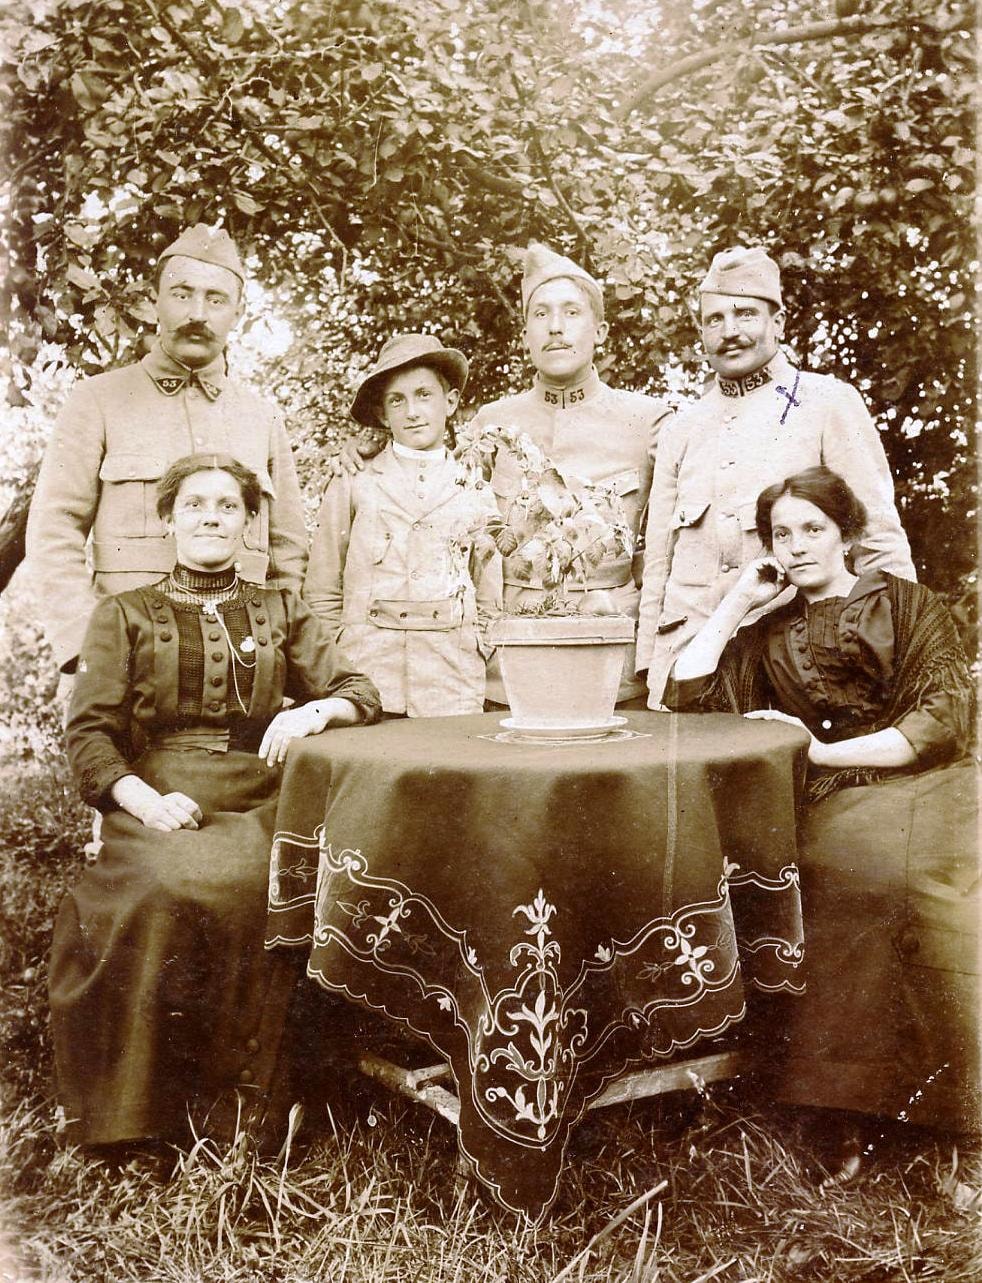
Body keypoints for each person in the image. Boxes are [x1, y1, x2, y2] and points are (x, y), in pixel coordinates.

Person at [49, 453, 381, 1154]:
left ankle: (255, 1115)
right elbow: (89, 734)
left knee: (265, 882)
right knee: (169, 884)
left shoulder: (280, 607)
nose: (211, 518)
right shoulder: (123, 613)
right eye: (194, 505)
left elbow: (357, 688)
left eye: (228, 506)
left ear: (248, 524)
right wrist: (143, 801)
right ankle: (142, 1113)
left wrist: (314, 712)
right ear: (168, 521)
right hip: (158, 792)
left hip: (263, 791)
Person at [666, 466, 979, 1149]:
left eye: (813, 529)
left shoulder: (909, 604)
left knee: (889, 877)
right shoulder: (770, 632)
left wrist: (821, 751)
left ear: (847, 534)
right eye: (782, 534)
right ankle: (843, 1111)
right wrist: (737, 602)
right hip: (834, 799)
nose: (798, 545)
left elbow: (941, 720)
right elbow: (686, 697)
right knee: (837, 867)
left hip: (932, 783)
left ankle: (933, 1108)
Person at [337, 244, 672, 704]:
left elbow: (668, 553)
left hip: (611, 654)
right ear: (526, 336)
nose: (555, 327)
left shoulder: (650, 423)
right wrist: (365, 447)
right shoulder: (490, 423)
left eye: (571, 312)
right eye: (541, 314)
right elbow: (433, 499)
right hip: (508, 659)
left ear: (600, 331)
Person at [26, 224, 308, 683]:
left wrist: (279, 654)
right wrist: (87, 649)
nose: (197, 313)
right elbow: (54, 530)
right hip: (125, 666)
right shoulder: (98, 400)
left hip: (241, 673)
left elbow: (288, 554)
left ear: (238, 312)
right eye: (181, 294)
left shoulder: (262, 417)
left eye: (216, 299)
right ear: (154, 300)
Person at [636, 246, 916, 707]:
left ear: (779, 322)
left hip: (794, 669)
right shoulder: (682, 428)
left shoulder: (827, 403)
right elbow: (659, 565)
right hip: (689, 665)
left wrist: (904, 652)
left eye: (745, 314)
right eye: (714, 319)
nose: (730, 331)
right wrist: (650, 667)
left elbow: (878, 539)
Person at [303, 333, 501, 717]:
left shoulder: (474, 487)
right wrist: (341, 658)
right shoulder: (354, 480)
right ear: (382, 415)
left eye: (424, 395)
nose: (412, 411)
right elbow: (322, 589)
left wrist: (477, 646)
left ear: (450, 402)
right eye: (397, 400)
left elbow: (490, 593)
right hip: (369, 672)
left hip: (452, 678)